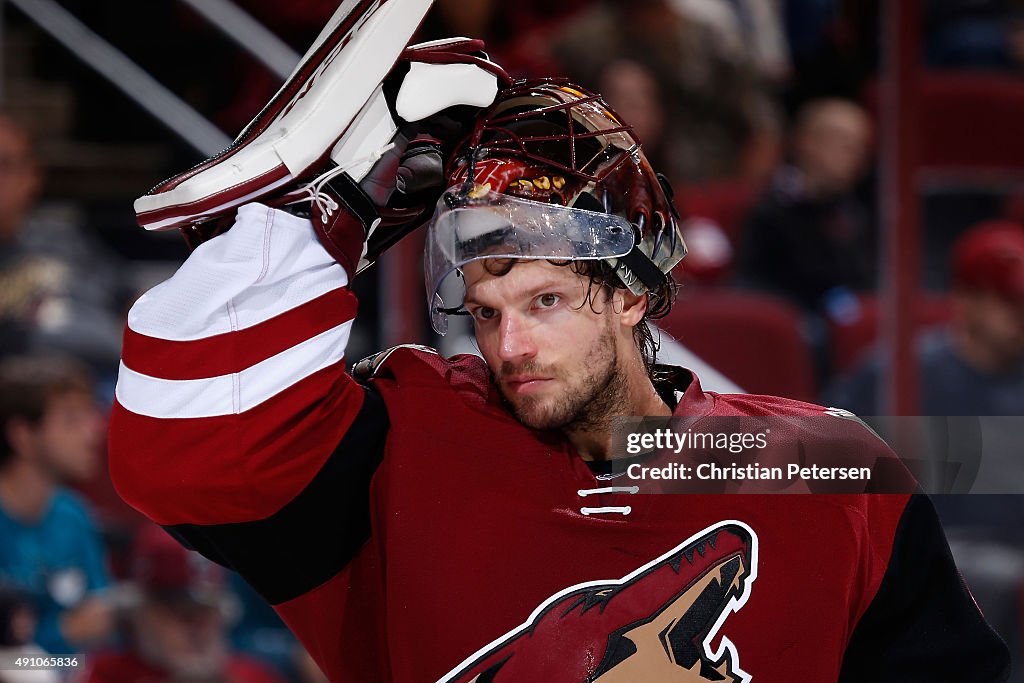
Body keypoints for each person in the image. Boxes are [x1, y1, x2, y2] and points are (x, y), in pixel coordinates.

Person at [108, 23, 1008, 682]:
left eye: (544, 300)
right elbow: (170, 438)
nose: (511, 343)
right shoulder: (405, 445)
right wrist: (344, 217)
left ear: (630, 293)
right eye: (487, 309)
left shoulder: (818, 463)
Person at [0, 355, 113, 655]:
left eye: (90, 415)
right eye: (71, 419)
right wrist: (63, 633)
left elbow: (101, 623)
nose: (94, 432)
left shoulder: (74, 515)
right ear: (22, 435)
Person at [78, 524, 287, 683]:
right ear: (141, 614)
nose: (197, 627)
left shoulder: (255, 675)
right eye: (181, 613)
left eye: (207, 611)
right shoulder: (96, 672)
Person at [737, 98, 876, 314]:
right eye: (843, 142)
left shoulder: (856, 213)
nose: (854, 154)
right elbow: (749, 284)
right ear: (807, 142)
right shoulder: (769, 208)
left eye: (860, 146)